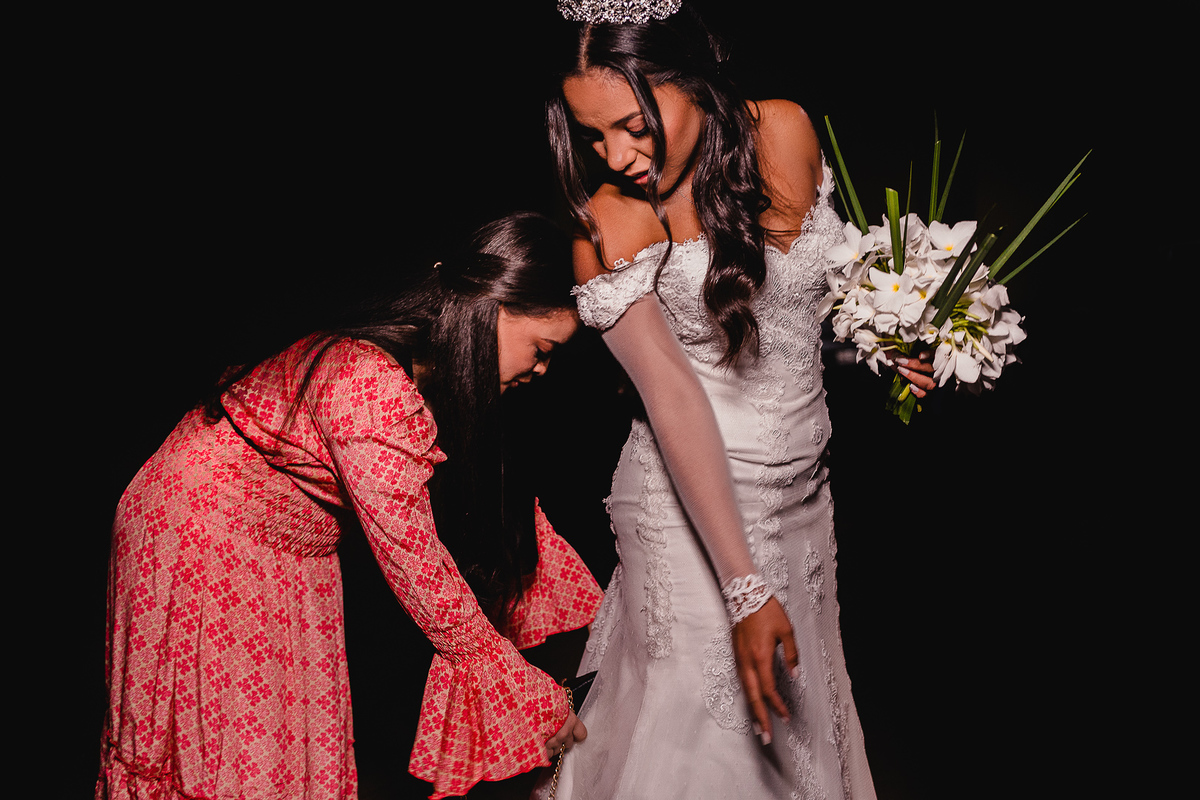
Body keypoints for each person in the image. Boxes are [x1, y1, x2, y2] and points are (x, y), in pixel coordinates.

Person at [538, 3, 936, 798]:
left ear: (693, 80)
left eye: (633, 124)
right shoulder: (607, 221)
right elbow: (672, 397)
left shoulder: (782, 131)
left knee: (798, 732)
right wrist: (745, 587)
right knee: (702, 745)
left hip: (804, 499)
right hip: (686, 507)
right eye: (592, 135)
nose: (614, 155)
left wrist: (875, 342)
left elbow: (789, 314)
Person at [98, 213, 602, 800]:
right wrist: (526, 697)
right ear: (491, 308)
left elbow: (472, 507)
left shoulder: (423, 375)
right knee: (228, 762)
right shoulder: (368, 382)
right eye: (542, 348)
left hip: (288, 551)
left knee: (281, 759)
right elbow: (415, 564)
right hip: (201, 535)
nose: (541, 371)